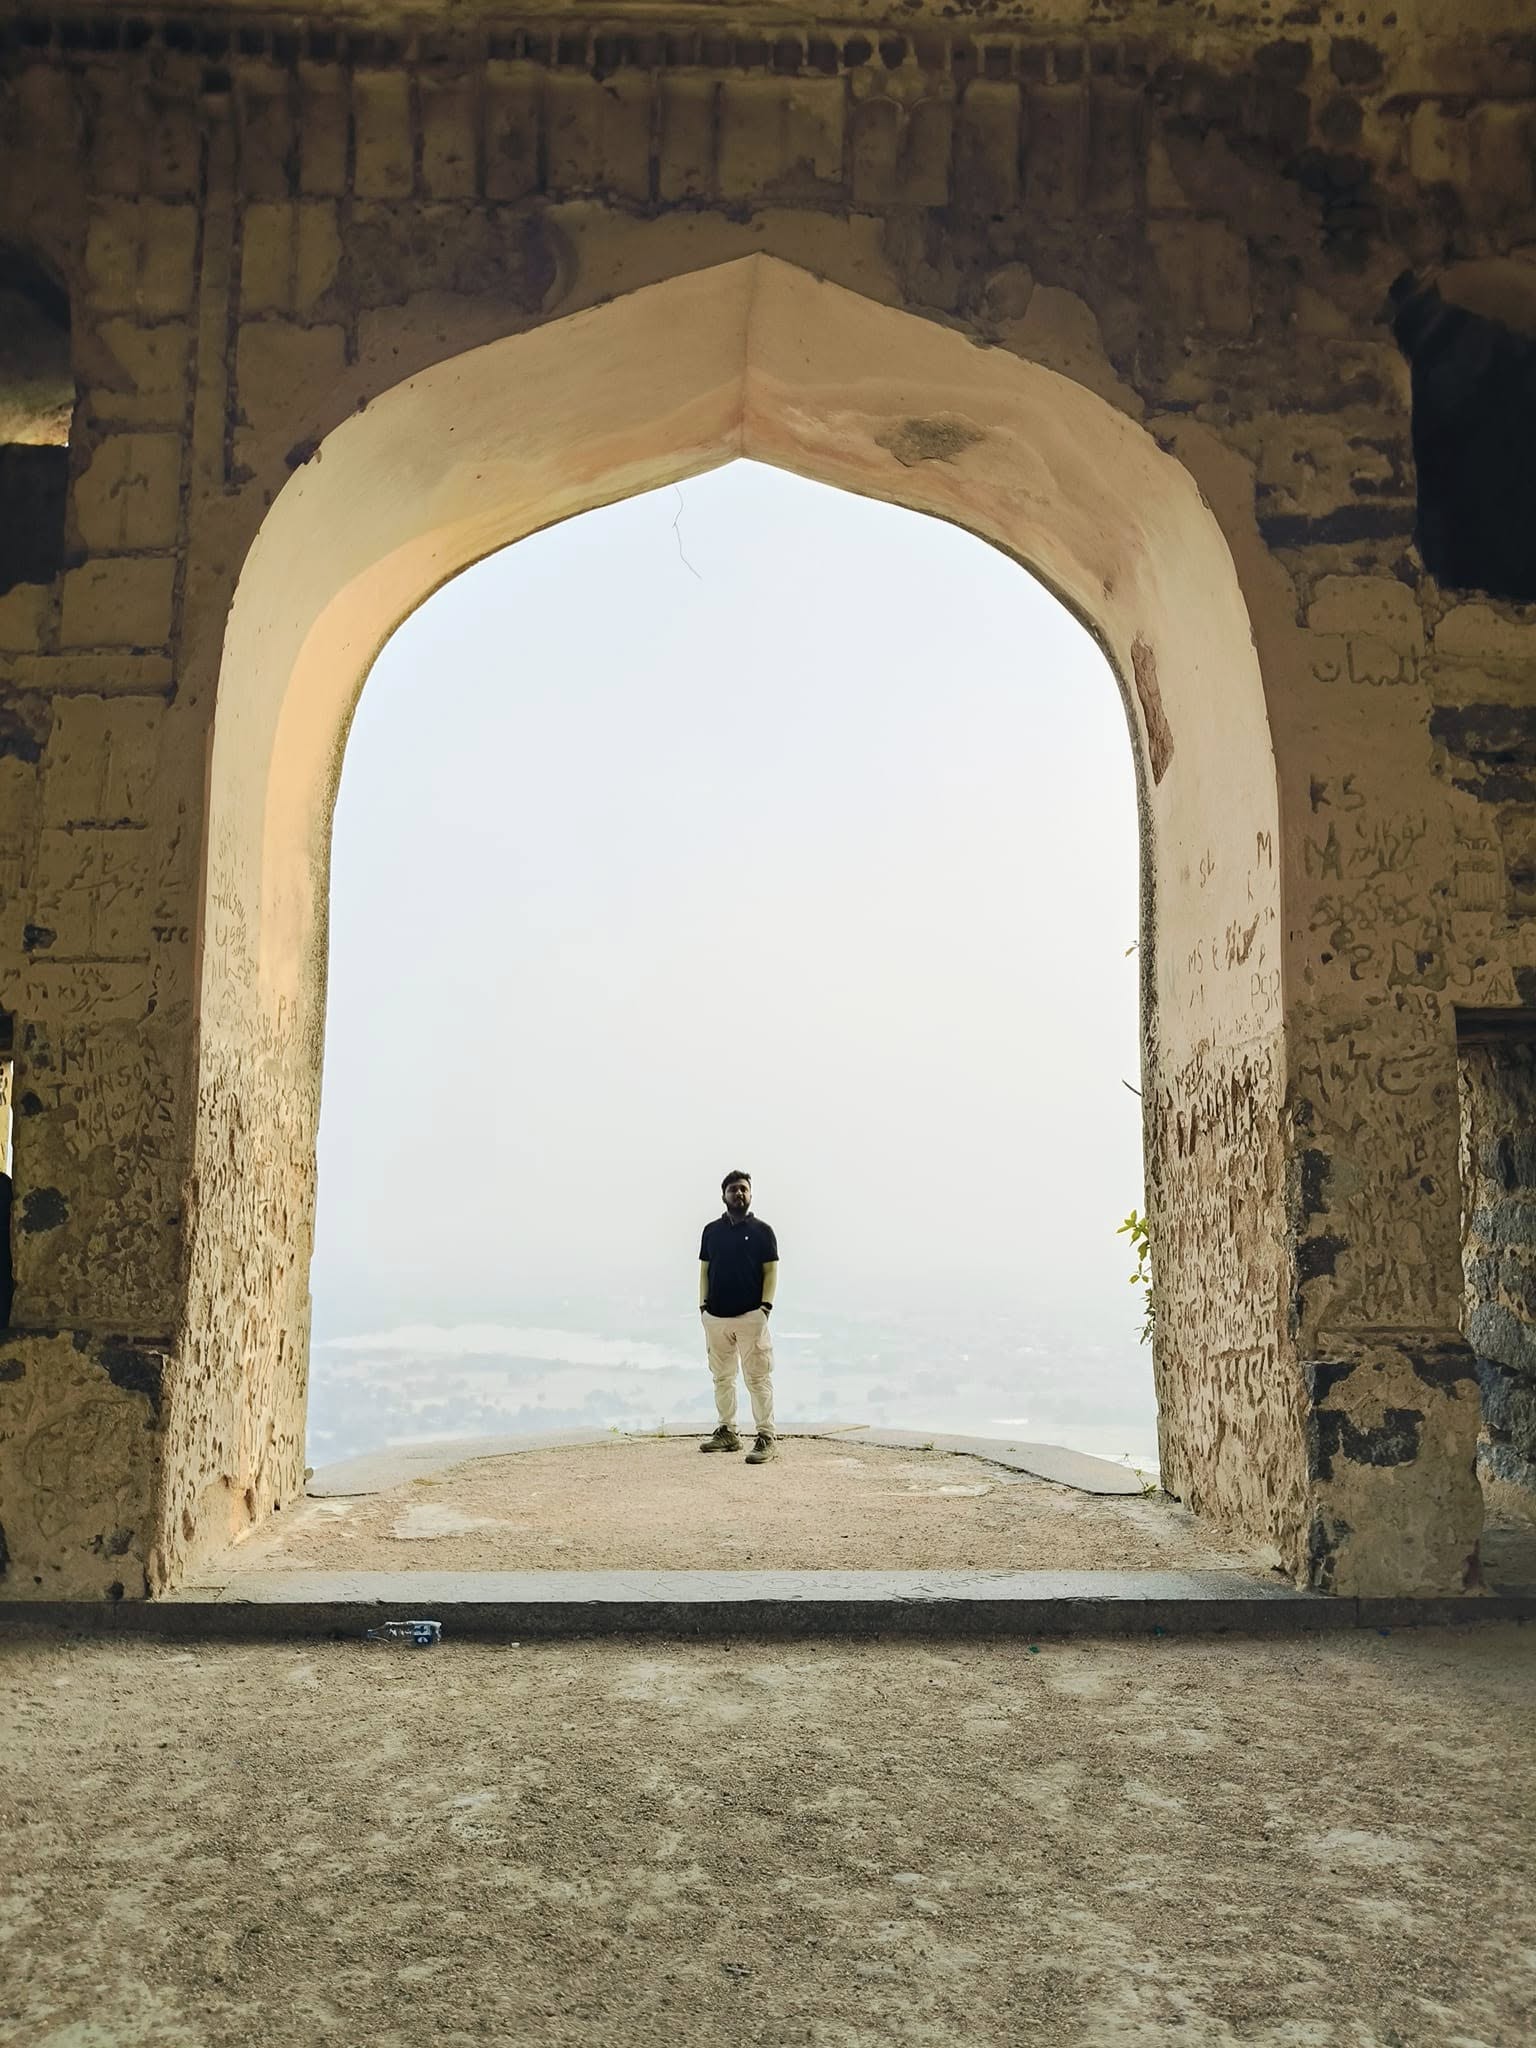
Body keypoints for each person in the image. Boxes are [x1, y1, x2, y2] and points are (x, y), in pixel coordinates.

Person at [697, 1170, 778, 1464]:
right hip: (716, 1317)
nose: (738, 1193)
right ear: (724, 1195)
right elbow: (705, 1270)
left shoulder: (762, 1231)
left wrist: (765, 1308)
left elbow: (770, 1271)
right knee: (722, 1377)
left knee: (757, 1378)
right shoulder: (711, 1231)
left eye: (743, 1189)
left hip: (750, 1317)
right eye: (733, 1189)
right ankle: (728, 1432)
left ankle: (766, 1436)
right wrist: (703, 1309)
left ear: (750, 1194)